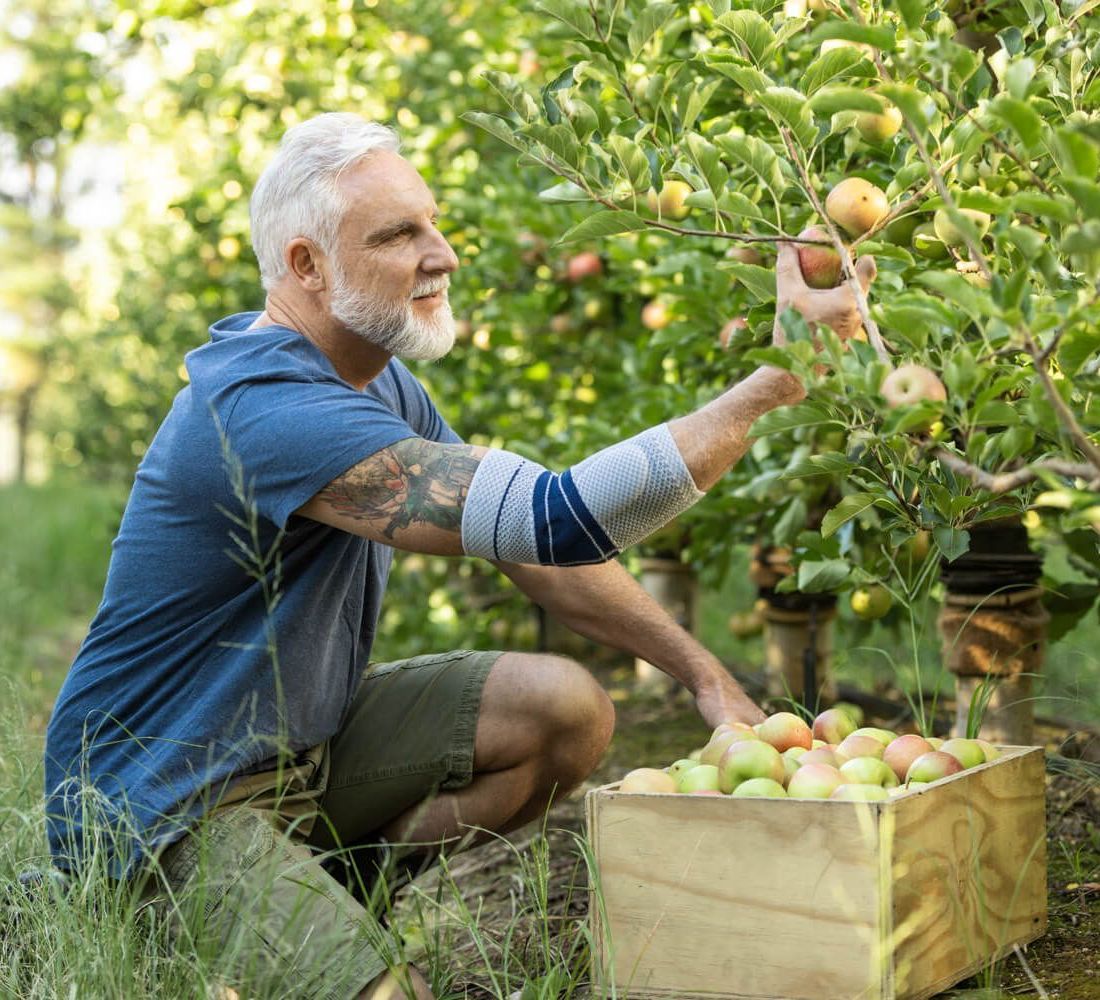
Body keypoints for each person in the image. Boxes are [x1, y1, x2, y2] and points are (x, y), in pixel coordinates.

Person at [43, 112, 875, 999]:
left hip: (298, 753)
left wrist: (700, 673)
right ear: (306, 265)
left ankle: (337, 888)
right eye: (400, 234)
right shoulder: (264, 409)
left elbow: (532, 556)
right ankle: (184, 915)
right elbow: (553, 520)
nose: (442, 253)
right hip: (163, 797)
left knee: (563, 708)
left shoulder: (376, 376)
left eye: (432, 222)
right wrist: (771, 388)